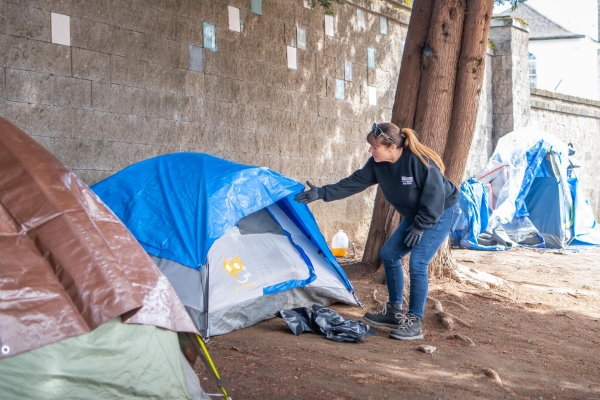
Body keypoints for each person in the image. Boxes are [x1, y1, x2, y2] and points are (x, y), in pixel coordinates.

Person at [294, 122, 460, 340]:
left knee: (418, 262)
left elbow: (435, 199)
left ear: (391, 147)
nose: (370, 151)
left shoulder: (420, 163)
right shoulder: (377, 164)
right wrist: (322, 193)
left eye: (374, 147)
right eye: (370, 147)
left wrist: (420, 226)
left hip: (438, 212)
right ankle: (394, 311)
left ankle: (414, 322)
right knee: (389, 255)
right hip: (415, 214)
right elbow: (354, 182)